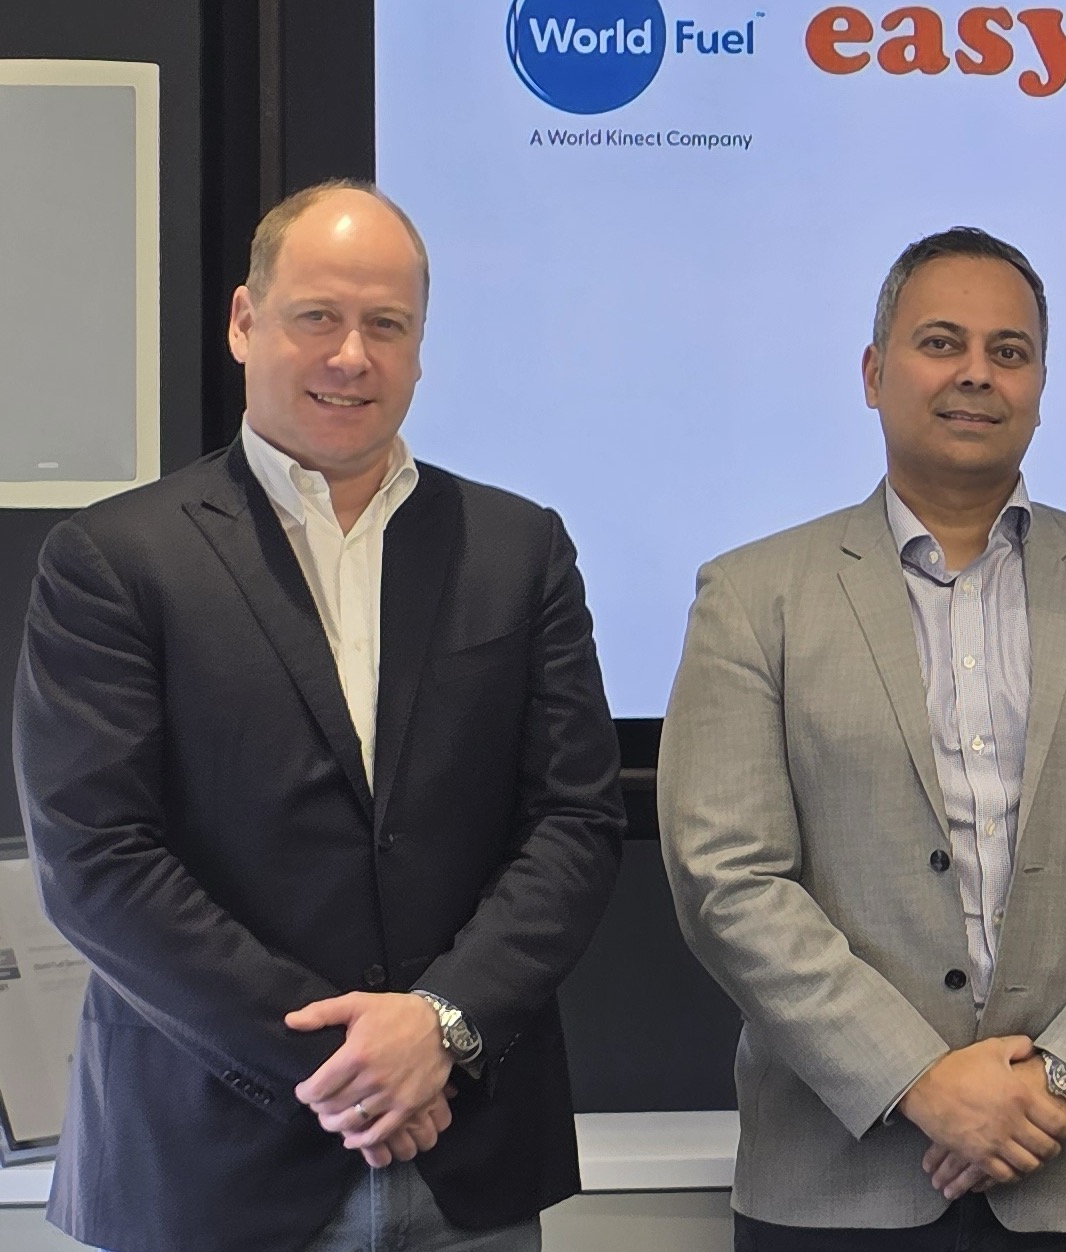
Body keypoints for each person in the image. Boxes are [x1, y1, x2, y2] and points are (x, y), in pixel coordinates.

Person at [13, 180, 627, 1251]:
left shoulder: (518, 548)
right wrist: (348, 1068)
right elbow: (98, 861)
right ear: (244, 322)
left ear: (421, 347)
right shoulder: (113, 561)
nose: (352, 355)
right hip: (208, 1163)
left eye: (386, 324)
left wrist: (440, 1027)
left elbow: (574, 821)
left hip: (469, 1157)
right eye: (318, 317)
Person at [658, 226, 1066, 1249]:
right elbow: (726, 878)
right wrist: (918, 1081)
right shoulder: (752, 596)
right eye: (941, 343)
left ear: (1040, 385)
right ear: (873, 373)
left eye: (1008, 351)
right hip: (834, 1185)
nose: (976, 373)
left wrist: (1057, 1083)